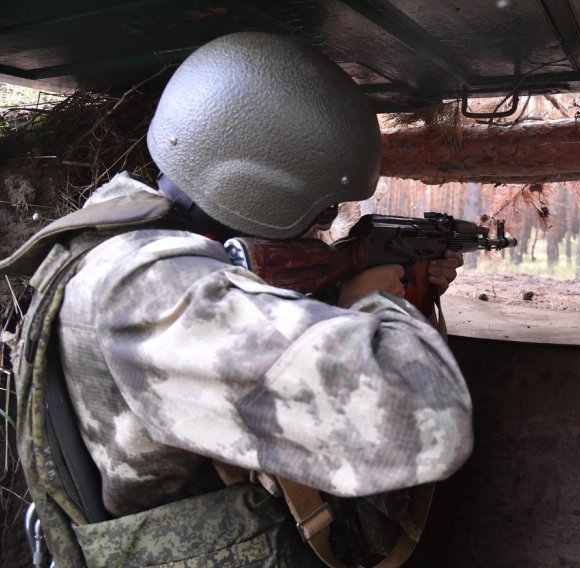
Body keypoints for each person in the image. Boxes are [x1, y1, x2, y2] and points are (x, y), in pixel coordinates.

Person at [5, 31, 472, 567]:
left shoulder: (115, 242)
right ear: (263, 188)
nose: (324, 228)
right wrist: (376, 302)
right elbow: (429, 422)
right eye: (323, 211)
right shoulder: (150, 288)